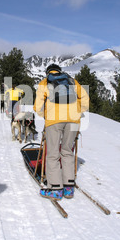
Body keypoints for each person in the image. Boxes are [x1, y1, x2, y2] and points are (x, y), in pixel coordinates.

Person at [33, 64, 89, 200]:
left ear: (48, 73)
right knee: (67, 151)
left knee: (52, 154)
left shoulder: (45, 82)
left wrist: (45, 115)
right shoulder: (72, 81)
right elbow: (86, 101)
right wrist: (77, 112)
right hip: (74, 120)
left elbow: (38, 106)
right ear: (60, 72)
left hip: (54, 121)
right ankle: (68, 188)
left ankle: (56, 188)